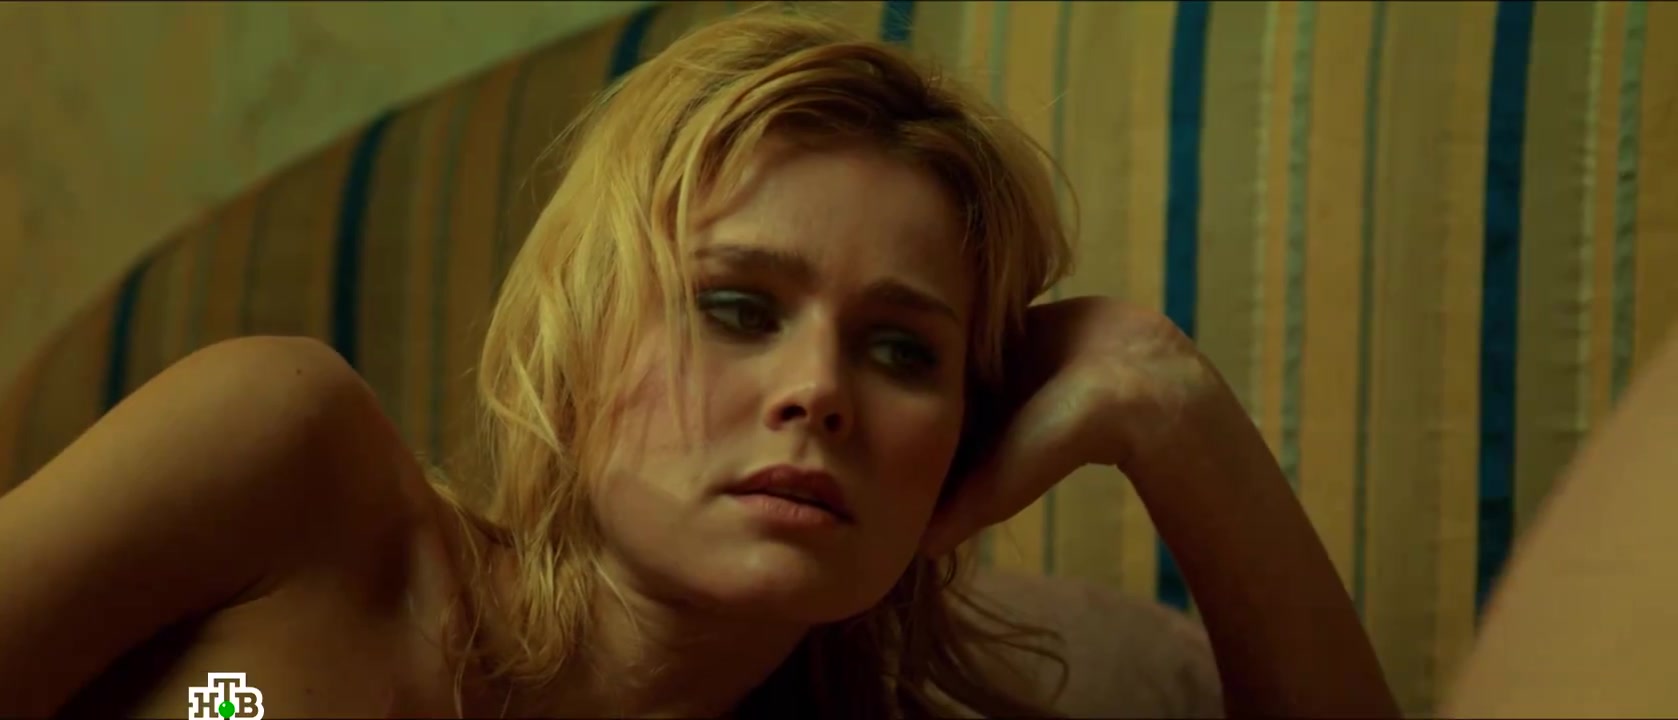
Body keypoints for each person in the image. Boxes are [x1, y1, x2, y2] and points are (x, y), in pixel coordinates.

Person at [0, 9, 1398, 718]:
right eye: (735, 307)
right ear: (578, 338)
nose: (819, 390)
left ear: (966, 438)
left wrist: (1164, 398)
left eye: (901, 349)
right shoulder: (290, 469)